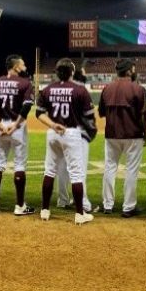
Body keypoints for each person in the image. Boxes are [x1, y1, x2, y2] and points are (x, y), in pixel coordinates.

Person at [36, 58, 98, 224]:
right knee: (76, 173)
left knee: (49, 171)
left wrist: (53, 124)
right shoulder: (80, 90)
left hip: (53, 131)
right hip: (71, 132)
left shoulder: (48, 89)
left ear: (57, 72)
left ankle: (45, 210)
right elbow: (89, 116)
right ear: (72, 72)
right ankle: (79, 213)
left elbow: (39, 113)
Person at [0, 54, 36, 215]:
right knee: (19, 165)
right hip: (17, 127)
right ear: (16, 67)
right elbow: (27, 107)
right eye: (23, 65)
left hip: (0, 127)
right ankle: (20, 206)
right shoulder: (25, 83)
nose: (25, 67)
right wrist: (15, 125)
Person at [99, 58, 146, 217]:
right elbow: (143, 116)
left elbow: (101, 113)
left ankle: (107, 205)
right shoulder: (138, 89)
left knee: (109, 168)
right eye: (133, 69)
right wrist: (145, 134)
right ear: (128, 71)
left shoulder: (107, 88)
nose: (134, 71)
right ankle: (128, 207)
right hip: (133, 135)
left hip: (111, 135)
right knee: (131, 171)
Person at [56, 65, 94, 213]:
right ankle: (84, 203)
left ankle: (63, 199)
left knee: (61, 169)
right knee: (79, 169)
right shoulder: (80, 90)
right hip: (76, 133)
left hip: (58, 132)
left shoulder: (54, 88)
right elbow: (88, 115)